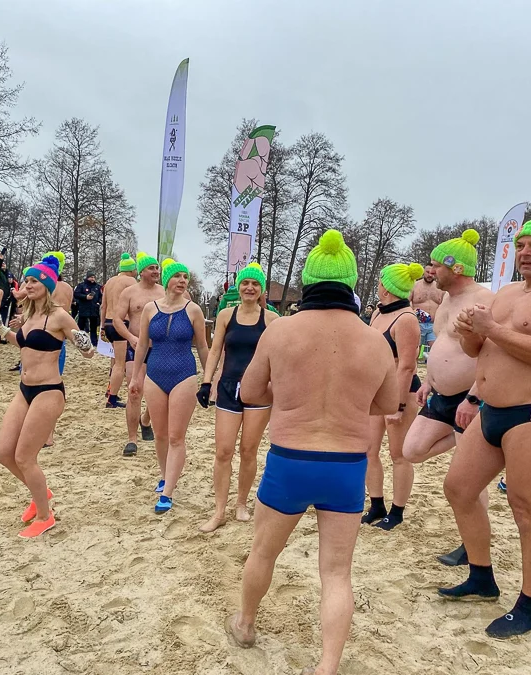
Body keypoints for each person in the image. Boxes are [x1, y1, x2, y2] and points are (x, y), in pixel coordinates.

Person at [226, 230, 398, 674]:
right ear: (351, 285)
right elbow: (387, 405)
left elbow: (249, 391)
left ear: (307, 282)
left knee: (263, 552)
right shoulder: (375, 341)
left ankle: (245, 625)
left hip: (291, 458)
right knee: (337, 573)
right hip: (346, 465)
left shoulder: (280, 331)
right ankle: (327, 666)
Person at [439, 211, 531, 638]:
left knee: (527, 508)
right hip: (492, 410)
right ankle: (482, 577)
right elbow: (477, 350)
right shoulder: (506, 293)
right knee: (459, 489)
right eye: (521, 245)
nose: (525, 252)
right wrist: (471, 331)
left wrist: (489, 328)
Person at [401, 229, 492, 564]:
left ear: (456, 269)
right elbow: (442, 346)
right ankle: (464, 440)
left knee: (472, 478)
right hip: (439, 393)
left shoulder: (484, 299)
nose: (431, 270)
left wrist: (474, 397)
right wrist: (428, 380)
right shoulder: (446, 301)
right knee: (411, 450)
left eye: (437, 265)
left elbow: (491, 353)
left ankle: (472, 545)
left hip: (467, 398)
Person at [0, 256, 95, 537]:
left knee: (25, 457)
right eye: (27, 280)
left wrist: (85, 343)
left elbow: (87, 350)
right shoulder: (28, 314)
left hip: (48, 391)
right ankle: (41, 494)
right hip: (24, 389)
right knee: (3, 453)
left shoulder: (59, 315)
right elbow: (24, 342)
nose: (28, 285)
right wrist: (3, 331)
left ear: (47, 284)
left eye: (34, 280)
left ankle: (45, 516)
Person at [197, 263, 278, 532]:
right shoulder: (225, 315)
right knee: (223, 451)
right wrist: (207, 382)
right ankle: (219, 510)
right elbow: (216, 349)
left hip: (259, 391)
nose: (250, 288)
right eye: (245, 283)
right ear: (238, 286)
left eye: (255, 284)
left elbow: (278, 359)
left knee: (248, 450)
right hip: (229, 387)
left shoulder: (271, 320)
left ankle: (241, 503)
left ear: (261, 289)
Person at [129, 258, 208, 512]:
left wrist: (210, 379)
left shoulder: (194, 310)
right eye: (177, 276)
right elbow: (142, 344)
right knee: (160, 434)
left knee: (176, 436)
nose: (182, 281)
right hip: (154, 374)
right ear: (167, 280)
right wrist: (134, 377)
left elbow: (203, 346)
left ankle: (168, 492)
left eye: (185, 277)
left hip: (184, 374)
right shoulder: (151, 309)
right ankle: (165, 475)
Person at [363, 262, 424, 530]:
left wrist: (398, 405)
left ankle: (397, 511)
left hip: (401, 390)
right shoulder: (378, 311)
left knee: (398, 454)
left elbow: (408, 366)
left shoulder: (407, 319)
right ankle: (376, 503)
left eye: (380, 281)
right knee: (368, 449)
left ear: (386, 287)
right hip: (375, 388)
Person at [113, 253, 164, 456]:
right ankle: (132, 439)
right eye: (151, 268)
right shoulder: (130, 292)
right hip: (136, 346)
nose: (156, 271)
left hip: (160, 348)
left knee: (159, 392)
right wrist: (130, 337)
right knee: (135, 391)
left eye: (157, 268)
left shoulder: (164, 292)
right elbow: (117, 319)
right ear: (141, 271)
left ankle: (146, 420)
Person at [100, 253, 138, 408]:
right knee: (120, 365)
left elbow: (103, 306)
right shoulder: (130, 281)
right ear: (131, 269)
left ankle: (110, 390)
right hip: (121, 323)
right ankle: (112, 398)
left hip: (109, 323)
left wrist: (102, 326)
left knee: (115, 360)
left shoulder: (109, 281)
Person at [410, 264, 444, 353]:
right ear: (423, 272)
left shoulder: (440, 288)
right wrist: (412, 313)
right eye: (427, 272)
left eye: (432, 273)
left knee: (436, 351)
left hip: (434, 324)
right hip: (418, 324)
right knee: (415, 351)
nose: (430, 275)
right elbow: (407, 302)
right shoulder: (414, 286)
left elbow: (444, 304)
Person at [74, 270, 102, 346]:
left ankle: (94, 342)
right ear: (87, 278)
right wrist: (85, 297)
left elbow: (101, 296)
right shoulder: (81, 285)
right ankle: (80, 341)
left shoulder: (97, 287)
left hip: (94, 309)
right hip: (84, 309)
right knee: (81, 326)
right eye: (91, 277)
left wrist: (99, 302)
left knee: (93, 327)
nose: (93, 279)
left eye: (94, 277)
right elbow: (76, 294)